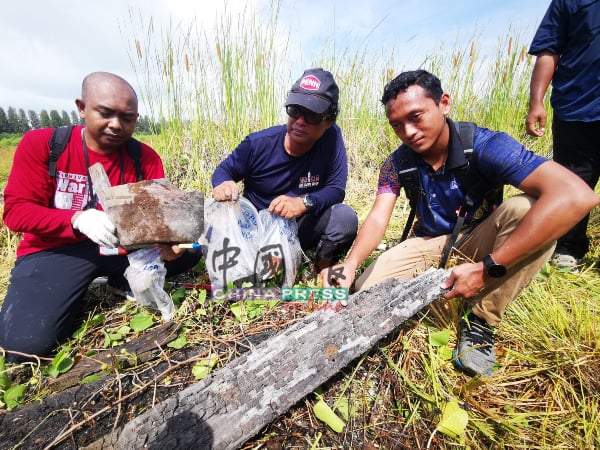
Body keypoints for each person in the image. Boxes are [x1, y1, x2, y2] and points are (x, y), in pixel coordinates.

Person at [325, 70, 600, 377]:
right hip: (428, 242)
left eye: (416, 116)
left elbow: (578, 196)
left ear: (444, 103)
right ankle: (445, 298)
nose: (409, 131)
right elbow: (378, 217)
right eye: (397, 125)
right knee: (366, 292)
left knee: (527, 209)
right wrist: (348, 267)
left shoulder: (487, 146)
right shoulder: (396, 163)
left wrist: (486, 269)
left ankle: (482, 320)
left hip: (481, 237)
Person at [0, 72, 200, 361]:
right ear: (82, 107)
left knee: (191, 255)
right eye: (105, 113)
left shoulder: (144, 158)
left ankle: (119, 280)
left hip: (122, 248)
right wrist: (76, 219)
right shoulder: (44, 144)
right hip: (56, 250)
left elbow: (158, 218)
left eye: (127, 118)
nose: (116, 125)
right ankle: (70, 286)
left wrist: (169, 244)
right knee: (25, 348)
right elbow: (17, 212)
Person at [211, 68, 358, 281]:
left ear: (329, 121)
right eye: (295, 110)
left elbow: (336, 189)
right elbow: (224, 171)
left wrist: (304, 203)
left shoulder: (332, 139)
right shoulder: (257, 144)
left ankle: (321, 267)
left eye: (312, 115)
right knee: (256, 275)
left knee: (344, 218)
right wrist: (223, 184)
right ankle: (269, 260)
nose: (300, 121)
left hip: (301, 224)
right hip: (259, 229)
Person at [526, 0, 600, 272]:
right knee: (575, 181)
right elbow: (549, 49)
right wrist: (537, 102)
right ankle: (569, 248)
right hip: (576, 107)